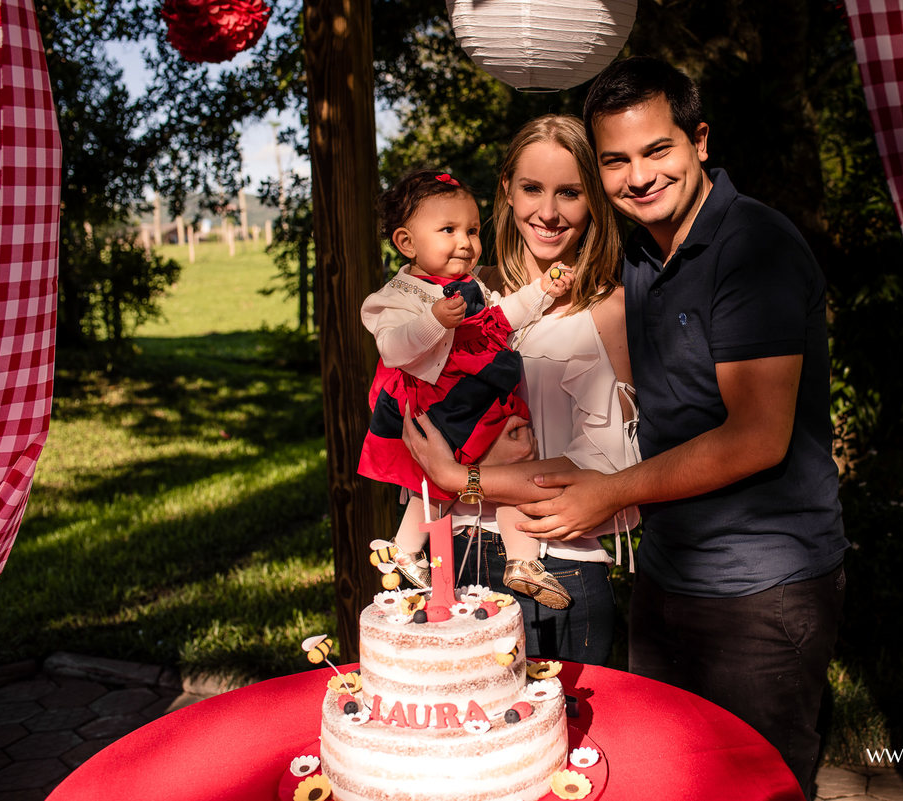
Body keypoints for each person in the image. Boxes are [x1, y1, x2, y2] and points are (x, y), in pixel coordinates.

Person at [509, 57, 850, 794]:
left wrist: (607, 492)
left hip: (762, 586)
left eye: (656, 150)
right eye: (616, 161)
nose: (638, 176)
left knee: (754, 785)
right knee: (668, 779)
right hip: (670, 577)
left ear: (699, 141)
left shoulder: (753, 246)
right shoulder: (639, 248)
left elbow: (758, 434)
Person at [402, 114, 640, 665]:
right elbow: (411, 416)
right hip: (442, 554)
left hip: (559, 562)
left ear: (595, 201)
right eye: (533, 188)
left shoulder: (609, 308)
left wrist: (462, 478)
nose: (548, 212)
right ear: (506, 189)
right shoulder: (460, 296)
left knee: (557, 746)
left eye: (570, 193)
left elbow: (609, 471)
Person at [357, 168, 575, 609]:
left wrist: (541, 293)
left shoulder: (472, 286)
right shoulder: (396, 295)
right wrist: (432, 320)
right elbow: (393, 346)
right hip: (442, 402)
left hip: (480, 395)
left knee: (512, 461)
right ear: (406, 243)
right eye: (449, 230)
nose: (466, 241)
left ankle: (512, 560)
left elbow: (502, 317)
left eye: (473, 230)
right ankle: (416, 548)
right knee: (473, 469)